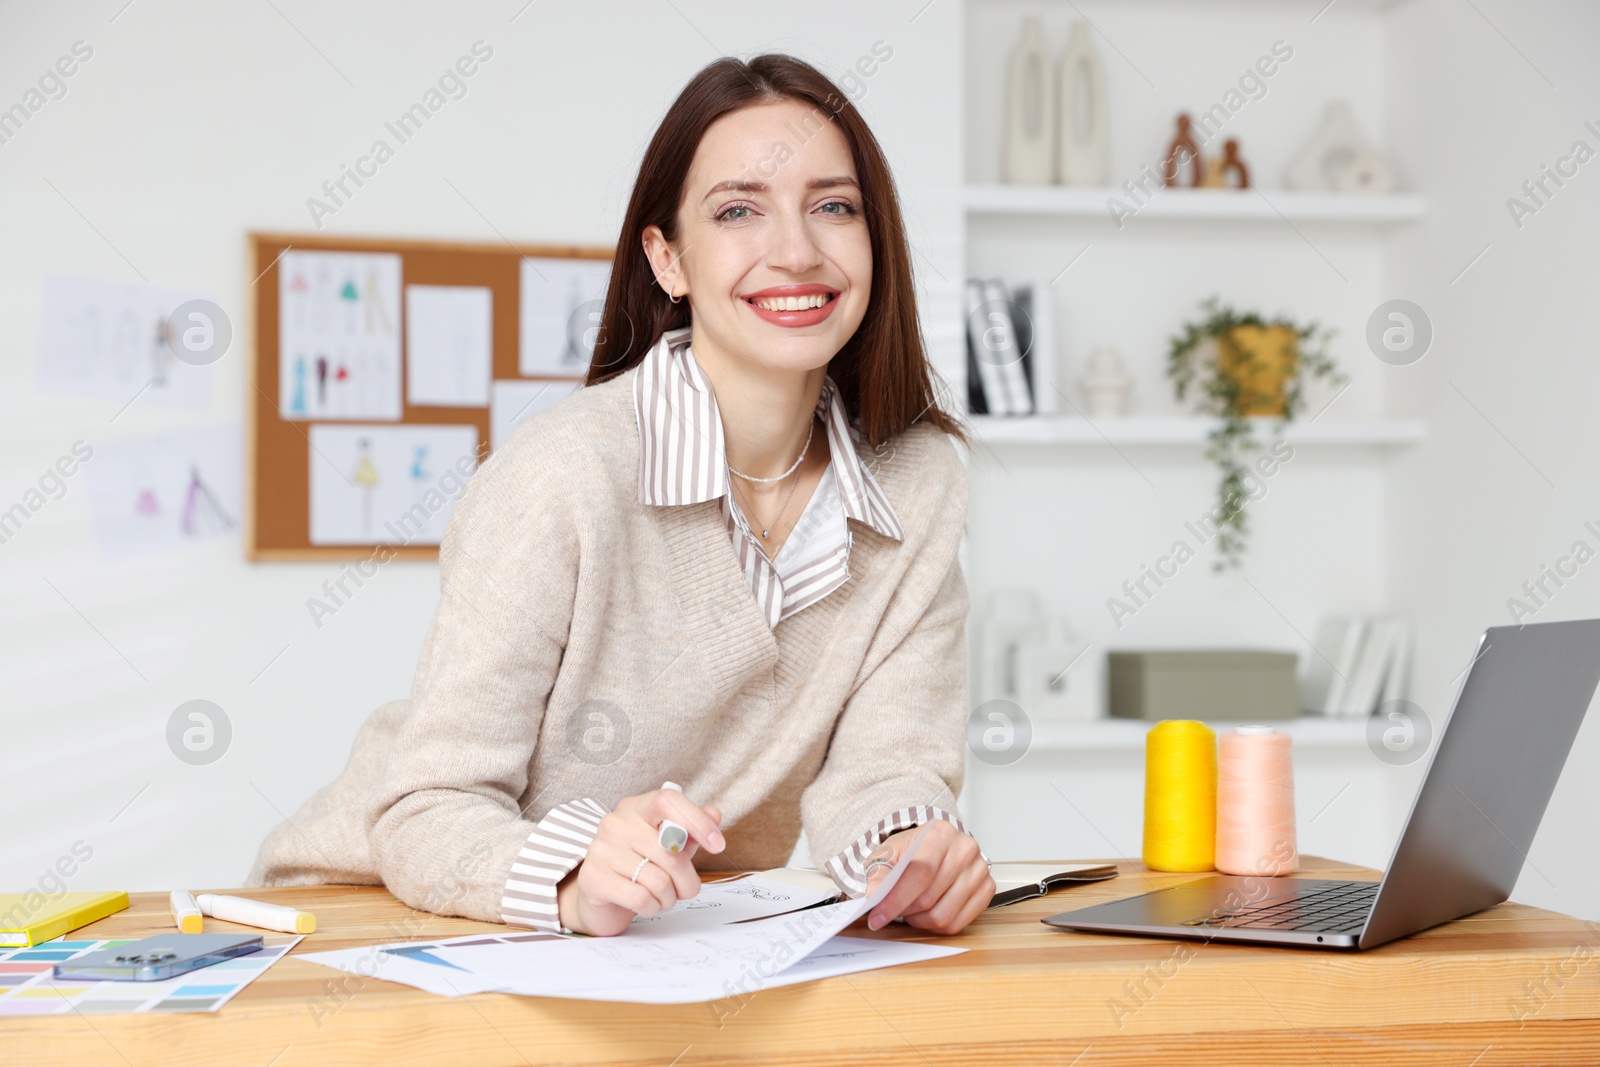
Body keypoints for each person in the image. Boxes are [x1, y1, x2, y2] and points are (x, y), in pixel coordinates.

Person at [249, 52, 994, 938]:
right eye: (738, 210)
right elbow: (428, 807)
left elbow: (887, 768)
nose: (797, 250)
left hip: (646, 945)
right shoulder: (564, 475)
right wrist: (570, 876)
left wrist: (907, 848)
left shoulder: (919, 485)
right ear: (667, 258)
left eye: (834, 206)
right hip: (375, 910)